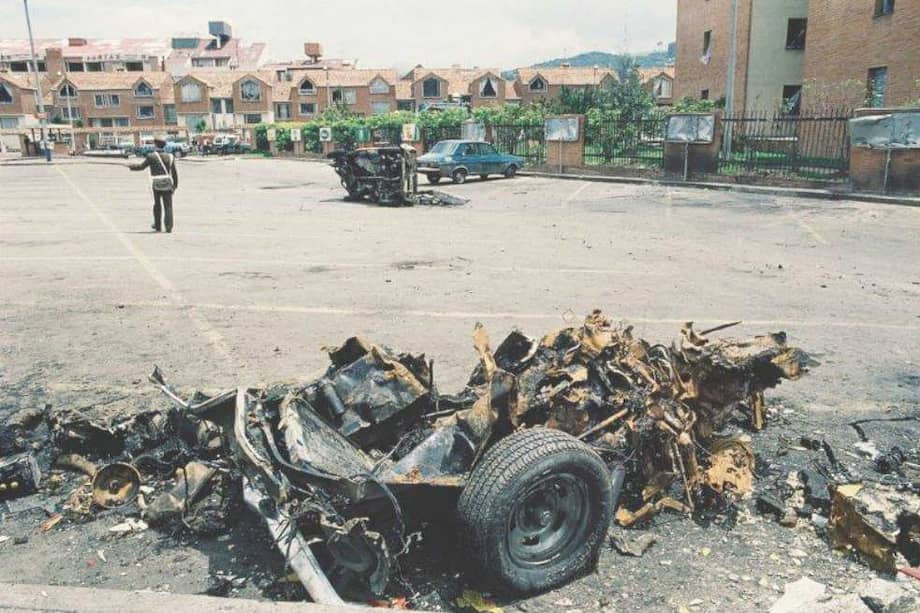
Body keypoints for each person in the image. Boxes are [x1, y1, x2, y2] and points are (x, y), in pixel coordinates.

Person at [129, 138, 179, 232]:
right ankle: (169, 227)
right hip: (168, 182)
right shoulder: (170, 156)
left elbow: (141, 167)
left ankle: (158, 225)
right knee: (168, 206)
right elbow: (174, 173)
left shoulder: (151, 156)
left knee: (157, 205)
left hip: (156, 183)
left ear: (156, 145)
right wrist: (175, 185)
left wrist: (131, 166)